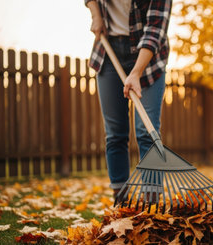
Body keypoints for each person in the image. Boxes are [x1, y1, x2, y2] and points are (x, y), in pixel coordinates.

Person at [85, 0, 172, 198]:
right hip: (109, 50)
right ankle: (121, 202)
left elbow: (155, 30)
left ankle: (151, 203)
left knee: (146, 132)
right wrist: (96, 15)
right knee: (115, 134)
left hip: (148, 57)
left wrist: (136, 72)